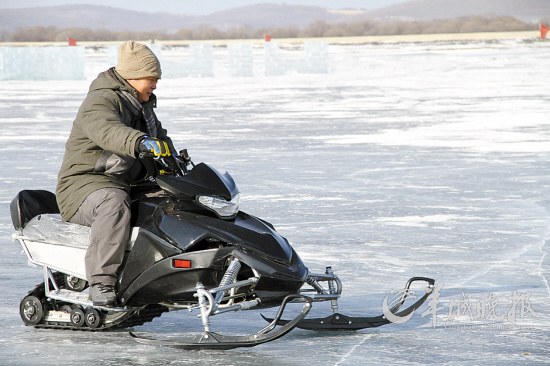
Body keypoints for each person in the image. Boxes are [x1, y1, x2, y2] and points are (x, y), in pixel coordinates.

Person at [56, 41, 174, 306]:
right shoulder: (100, 100)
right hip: (84, 187)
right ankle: (101, 282)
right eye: (151, 78)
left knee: (174, 199)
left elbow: (161, 139)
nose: (155, 83)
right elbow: (107, 130)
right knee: (113, 203)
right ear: (133, 76)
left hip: (124, 182)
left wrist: (174, 161)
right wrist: (140, 142)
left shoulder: (141, 105)